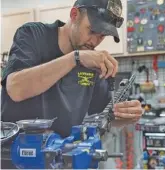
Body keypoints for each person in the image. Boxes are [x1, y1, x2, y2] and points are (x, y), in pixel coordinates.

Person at [1, 0, 143, 138]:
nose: (94, 41)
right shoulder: (32, 34)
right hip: (14, 154)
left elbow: (106, 115)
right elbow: (15, 89)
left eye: (102, 36)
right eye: (92, 30)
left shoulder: (92, 63)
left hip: (62, 156)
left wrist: (125, 116)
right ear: (74, 15)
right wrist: (75, 58)